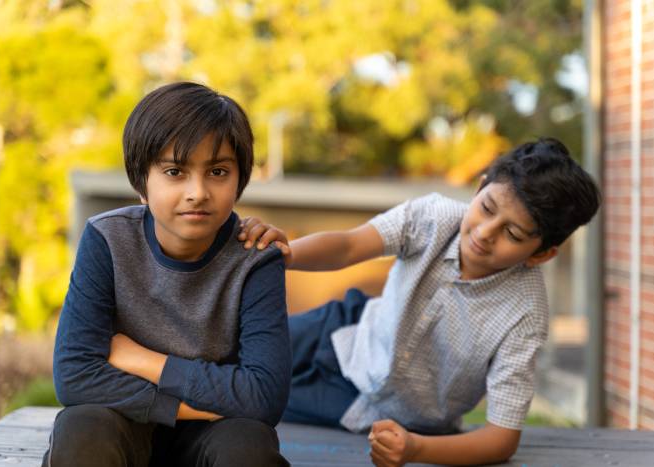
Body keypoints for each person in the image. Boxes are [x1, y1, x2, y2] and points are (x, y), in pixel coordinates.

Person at [239, 138, 600, 466]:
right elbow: (349, 245)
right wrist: (282, 255)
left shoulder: (525, 314)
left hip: (371, 408)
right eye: (487, 208)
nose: (485, 233)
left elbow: (501, 438)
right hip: (344, 331)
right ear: (480, 186)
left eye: (513, 233)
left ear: (540, 255)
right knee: (231, 348)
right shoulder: (433, 217)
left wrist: (416, 448)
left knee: (244, 400)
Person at [44, 82, 291, 467]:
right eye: (175, 171)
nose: (197, 192)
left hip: (213, 438)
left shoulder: (256, 259)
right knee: (83, 426)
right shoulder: (107, 239)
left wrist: (142, 360)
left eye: (218, 171)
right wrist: (198, 405)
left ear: (239, 181)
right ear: (142, 183)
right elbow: (75, 375)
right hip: (123, 423)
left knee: (248, 446)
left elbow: (263, 396)